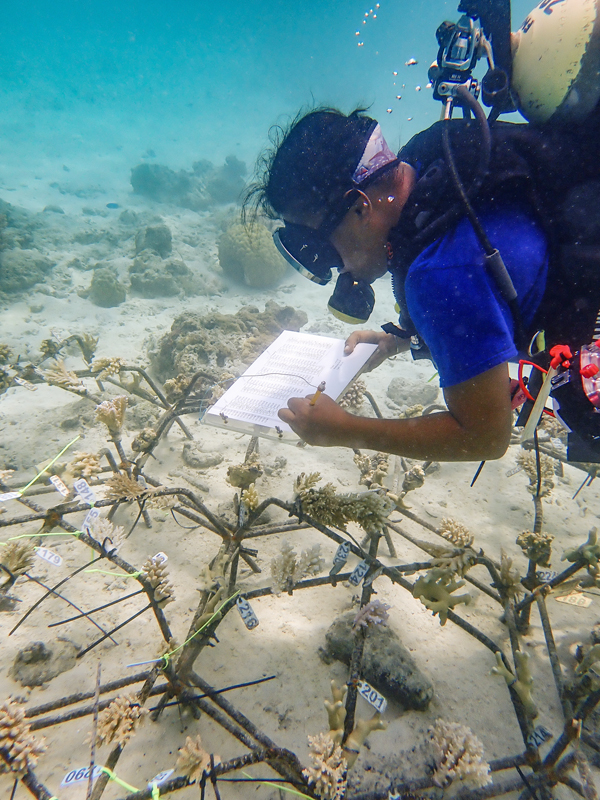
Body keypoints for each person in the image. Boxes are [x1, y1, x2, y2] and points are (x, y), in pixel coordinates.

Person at [243, 107, 552, 462]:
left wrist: (344, 429)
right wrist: (399, 339)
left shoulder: (437, 278)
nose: (335, 268)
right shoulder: (428, 170)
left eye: (320, 248)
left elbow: (485, 437)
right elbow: (480, 299)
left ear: (360, 209)